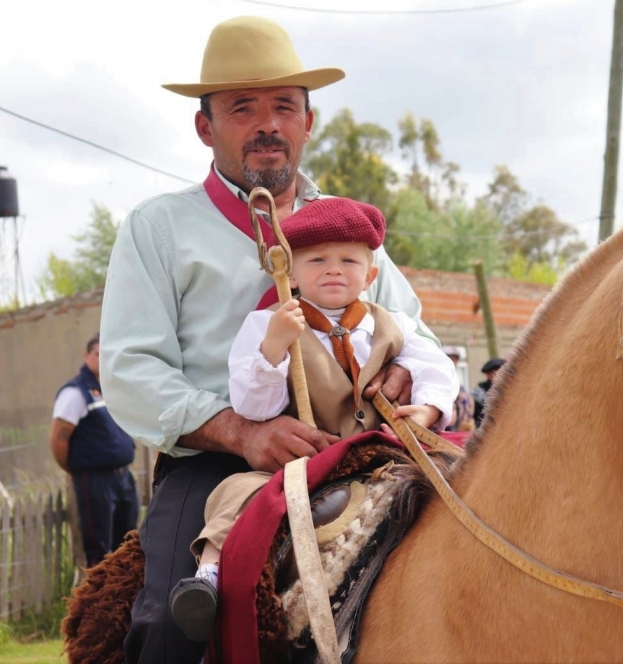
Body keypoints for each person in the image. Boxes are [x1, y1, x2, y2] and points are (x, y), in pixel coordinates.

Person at [99, 16, 436, 663]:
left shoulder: (347, 226)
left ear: (307, 122)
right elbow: (131, 368)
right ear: (206, 127)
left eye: (284, 106)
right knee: (166, 627)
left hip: (356, 446)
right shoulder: (159, 228)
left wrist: (408, 377)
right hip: (217, 461)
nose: (267, 124)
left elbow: (411, 327)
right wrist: (240, 431)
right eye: (241, 107)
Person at [167, 197, 458, 642]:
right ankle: (208, 576)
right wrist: (275, 349)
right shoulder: (267, 324)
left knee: (461, 474)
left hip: (380, 454)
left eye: (348, 260)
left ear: (370, 275)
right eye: (317, 260)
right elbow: (254, 407)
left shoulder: (392, 323)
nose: (333, 269)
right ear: (291, 273)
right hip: (301, 460)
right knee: (237, 493)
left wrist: (430, 407)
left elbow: (436, 367)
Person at [49, 334, 139, 568]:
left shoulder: (110, 389)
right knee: (100, 550)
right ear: (87, 356)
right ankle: (97, 603)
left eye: (106, 355)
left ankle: (124, 601)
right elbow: (59, 439)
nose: (102, 360)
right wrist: (73, 468)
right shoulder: (75, 393)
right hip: (95, 480)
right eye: (98, 354)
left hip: (123, 477)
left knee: (128, 544)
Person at [442, 346, 475, 432]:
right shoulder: (433, 382)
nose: (452, 362)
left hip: (458, 434)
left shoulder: (461, 389)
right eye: (448, 358)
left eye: (454, 359)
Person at [472, 357, 505, 427]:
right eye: (493, 372)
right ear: (488, 374)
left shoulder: (508, 389)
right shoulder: (479, 392)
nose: (496, 374)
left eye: (499, 371)